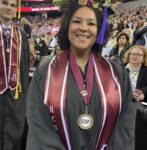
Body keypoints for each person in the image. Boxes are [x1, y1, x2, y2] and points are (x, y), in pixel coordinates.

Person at [26, 0, 136, 150]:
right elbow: (39, 126)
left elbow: (125, 125)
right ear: (66, 27)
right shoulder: (45, 72)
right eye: (77, 21)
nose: (84, 28)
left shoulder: (116, 74)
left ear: (99, 30)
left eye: (91, 24)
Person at [0, 0, 30, 149]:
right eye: (5, 3)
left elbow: (24, 70)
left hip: (14, 96)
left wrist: (23, 98)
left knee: (13, 137)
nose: (9, 8)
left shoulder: (21, 36)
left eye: (12, 5)